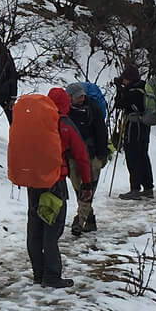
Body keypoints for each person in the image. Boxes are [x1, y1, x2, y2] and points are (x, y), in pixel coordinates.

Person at [25, 88, 91, 288]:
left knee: (35, 228)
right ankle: (52, 276)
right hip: (54, 183)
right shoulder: (65, 124)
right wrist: (86, 183)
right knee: (52, 231)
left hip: (34, 181)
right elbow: (81, 155)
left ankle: (38, 273)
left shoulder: (33, 122)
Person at [63, 82, 111, 236]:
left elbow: (101, 132)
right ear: (69, 97)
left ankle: (80, 220)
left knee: (88, 187)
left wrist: (101, 154)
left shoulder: (93, 109)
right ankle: (89, 221)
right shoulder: (66, 112)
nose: (81, 98)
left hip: (92, 154)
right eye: (78, 96)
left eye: (82, 95)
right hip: (73, 156)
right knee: (79, 187)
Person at [112, 58, 156, 198]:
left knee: (133, 156)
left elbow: (119, 104)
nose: (123, 81)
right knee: (143, 155)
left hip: (134, 126)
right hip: (144, 126)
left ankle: (135, 189)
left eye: (124, 78)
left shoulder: (133, 91)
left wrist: (120, 89)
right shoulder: (144, 88)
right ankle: (148, 187)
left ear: (129, 78)